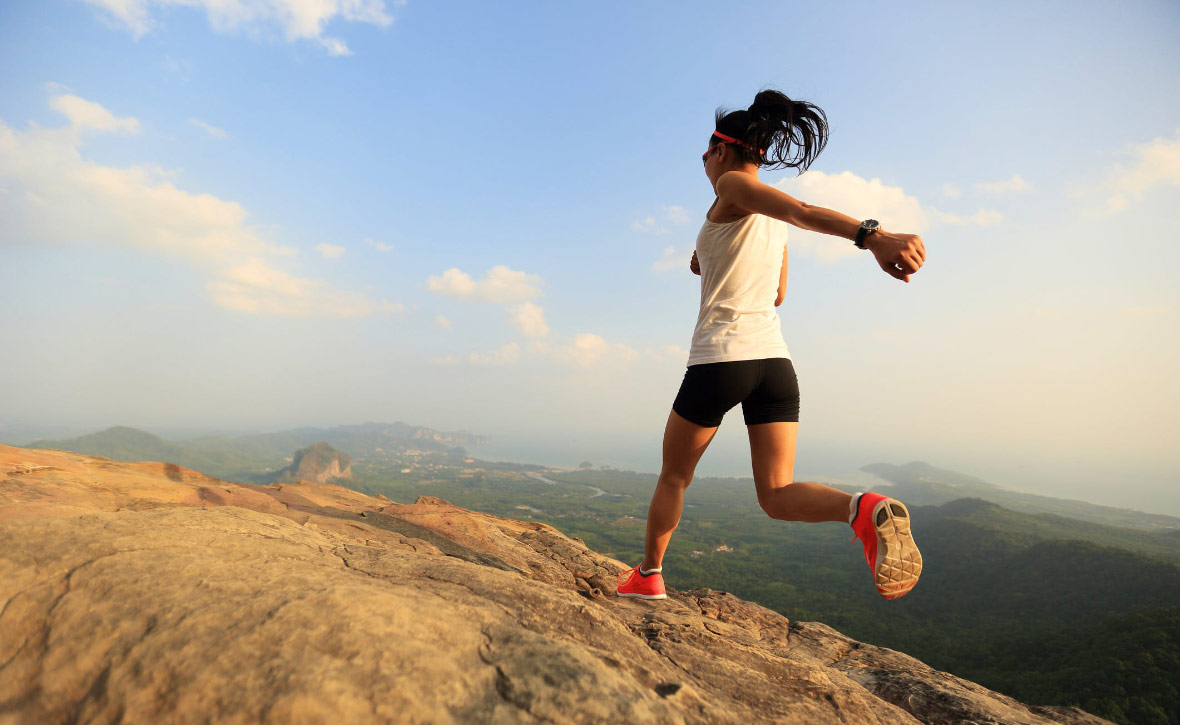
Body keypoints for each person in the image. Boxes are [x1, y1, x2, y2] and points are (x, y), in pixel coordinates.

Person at [616, 89, 926, 602]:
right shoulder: (764, 218)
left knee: (674, 475)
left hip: (720, 360)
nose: (703, 162)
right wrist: (709, 260)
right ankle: (863, 508)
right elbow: (777, 293)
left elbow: (803, 210)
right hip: (774, 365)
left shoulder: (734, 186)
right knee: (777, 495)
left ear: (722, 150)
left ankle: (648, 576)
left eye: (705, 152)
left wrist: (873, 235)